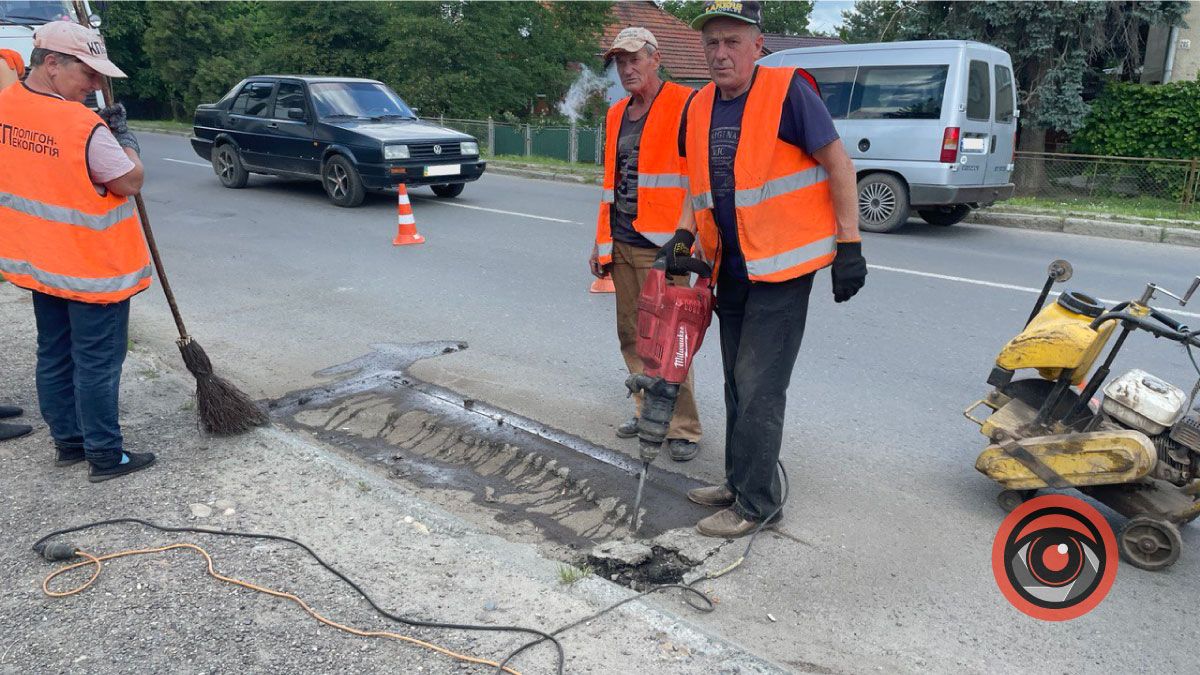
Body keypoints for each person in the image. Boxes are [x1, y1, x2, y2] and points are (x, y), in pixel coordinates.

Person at [661, 1, 868, 537]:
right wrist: (684, 234)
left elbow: (838, 164)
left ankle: (759, 505)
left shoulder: (787, 92)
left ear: (758, 45)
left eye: (733, 42)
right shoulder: (700, 104)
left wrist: (850, 245)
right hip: (729, 266)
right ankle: (738, 482)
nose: (721, 52)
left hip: (782, 270)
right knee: (734, 381)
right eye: (712, 43)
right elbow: (696, 184)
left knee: (759, 386)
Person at [0, 21, 156, 481]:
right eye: (88, 74)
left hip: (41, 262)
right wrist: (124, 139)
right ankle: (106, 455)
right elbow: (129, 180)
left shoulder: (6, 105)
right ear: (52, 63)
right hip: (92, 271)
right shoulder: (77, 122)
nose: (95, 86)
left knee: (54, 353)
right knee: (98, 363)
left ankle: (68, 444)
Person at [589, 27, 704, 461]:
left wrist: (685, 238)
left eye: (634, 58)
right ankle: (645, 411)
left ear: (656, 58)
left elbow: (698, 178)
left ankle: (683, 428)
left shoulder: (685, 104)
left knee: (671, 341)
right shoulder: (617, 112)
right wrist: (600, 242)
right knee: (632, 336)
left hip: (665, 244)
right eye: (620, 61)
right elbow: (610, 184)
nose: (627, 68)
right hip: (620, 238)